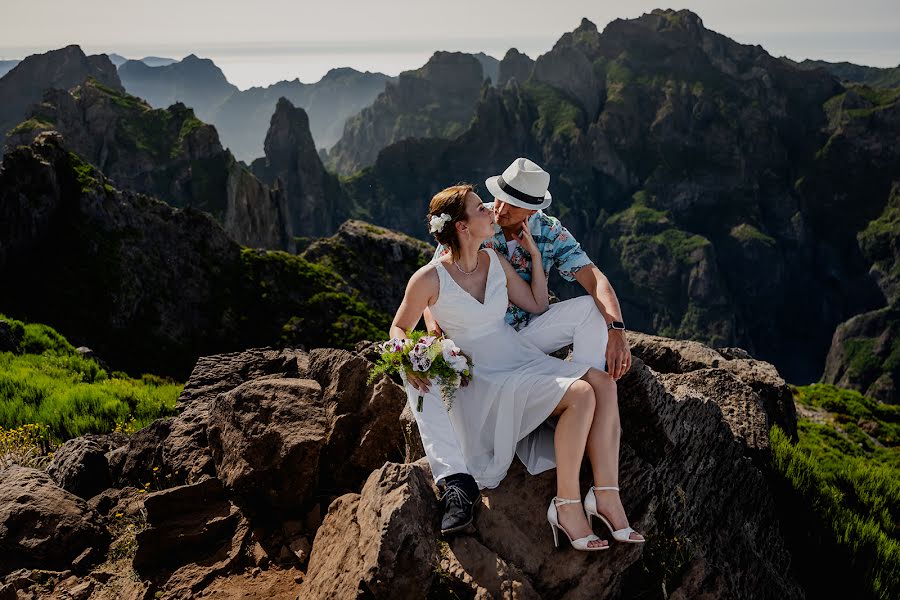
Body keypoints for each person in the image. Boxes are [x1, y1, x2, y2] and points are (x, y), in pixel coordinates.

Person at [390, 181, 642, 551]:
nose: (491, 211)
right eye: (481, 208)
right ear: (461, 227)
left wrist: (536, 258)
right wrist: (415, 353)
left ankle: (605, 497)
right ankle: (567, 505)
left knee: (603, 384)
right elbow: (399, 326)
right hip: (483, 370)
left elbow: (538, 305)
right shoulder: (428, 277)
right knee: (582, 394)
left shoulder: (495, 260)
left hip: (515, 353)